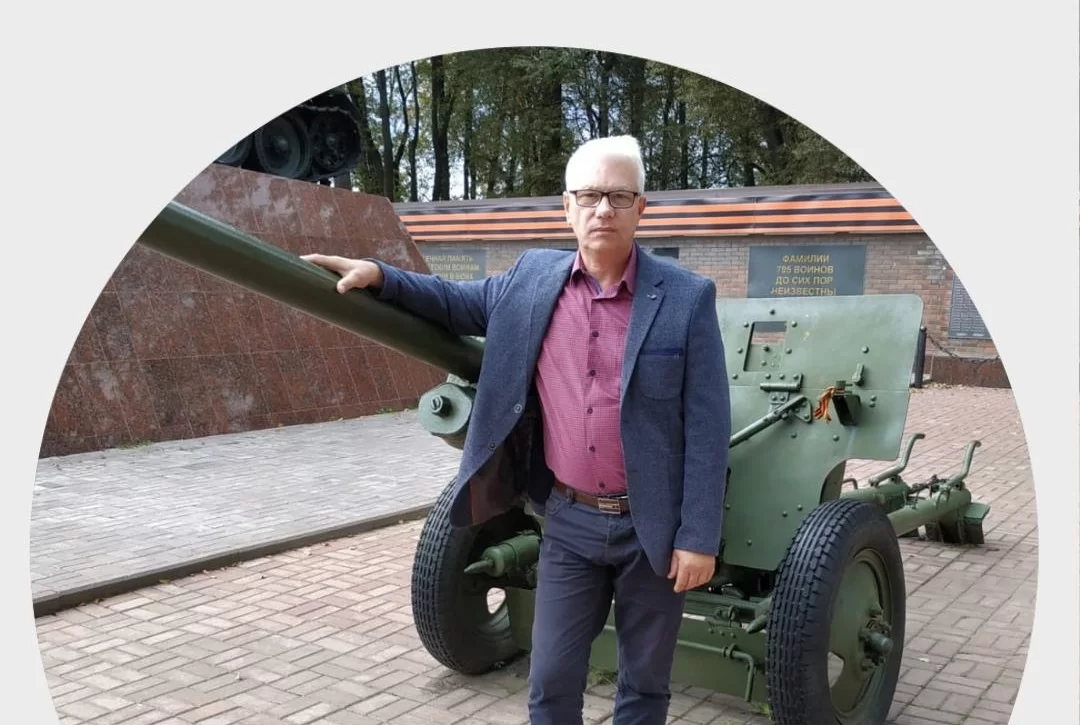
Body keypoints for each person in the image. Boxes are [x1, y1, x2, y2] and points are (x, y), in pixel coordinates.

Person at [302, 135, 731, 725]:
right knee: (550, 682)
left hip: (653, 529)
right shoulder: (532, 279)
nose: (603, 209)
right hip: (570, 522)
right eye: (589, 196)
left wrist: (698, 537)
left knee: (645, 687)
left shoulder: (686, 297)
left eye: (618, 196)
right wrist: (380, 275)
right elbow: (452, 302)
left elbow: (708, 426)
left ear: (640, 207)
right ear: (567, 207)